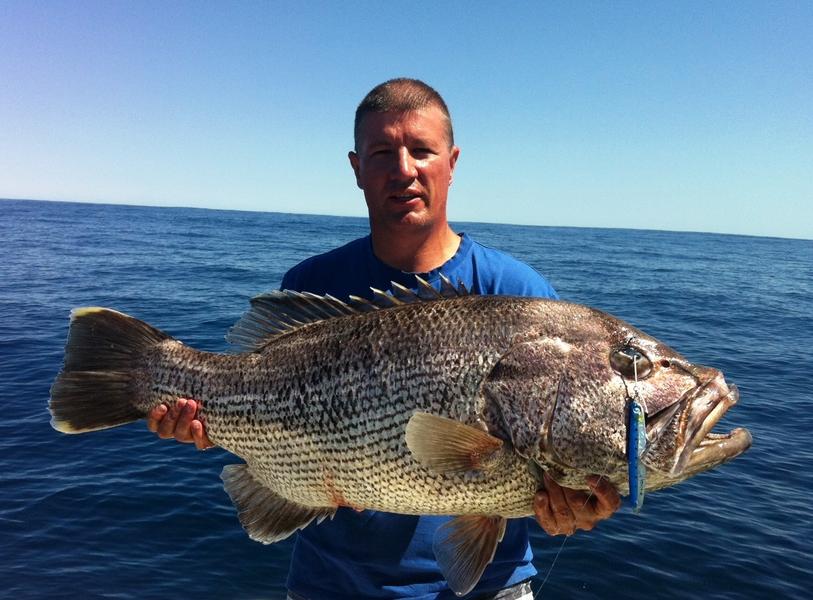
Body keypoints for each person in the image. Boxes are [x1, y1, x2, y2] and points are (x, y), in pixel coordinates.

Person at [147, 78, 621, 599]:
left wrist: (572, 510)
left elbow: (552, 470)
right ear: (357, 168)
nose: (404, 169)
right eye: (382, 153)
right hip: (331, 586)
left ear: (452, 162)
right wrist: (207, 423)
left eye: (422, 150)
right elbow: (266, 418)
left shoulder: (520, 293)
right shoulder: (312, 283)